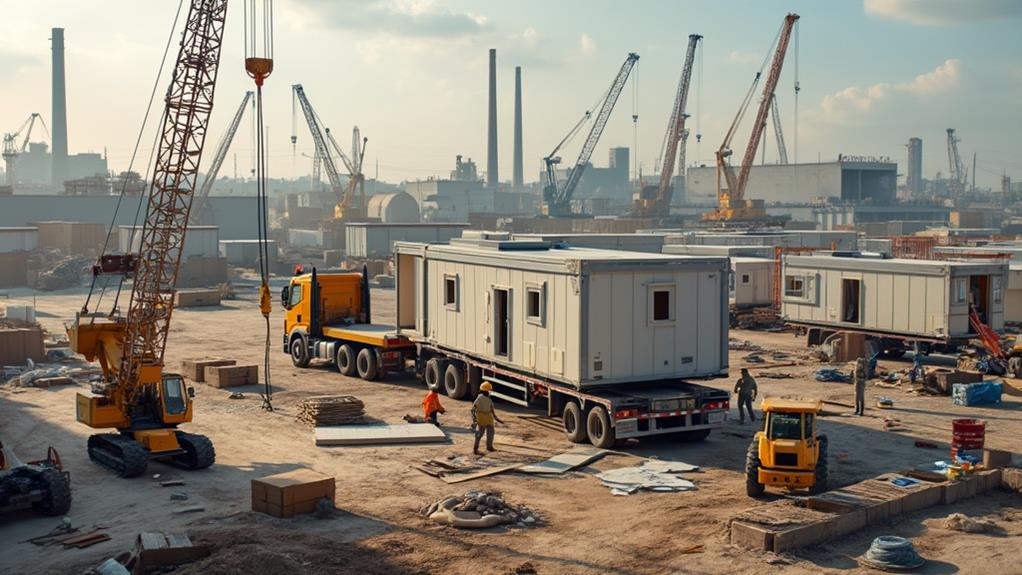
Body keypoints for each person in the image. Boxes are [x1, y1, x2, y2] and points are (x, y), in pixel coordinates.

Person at [471, 382, 503, 454]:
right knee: (480, 434)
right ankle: (475, 450)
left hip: (488, 417)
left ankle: (489, 447)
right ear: (486, 391)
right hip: (481, 417)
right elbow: (473, 409)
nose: (490, 392)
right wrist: (474, 420)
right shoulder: (480, 398)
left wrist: (495, 417)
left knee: (491, 432)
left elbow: (491, 408)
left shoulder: (488, 398)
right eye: (489, 390)